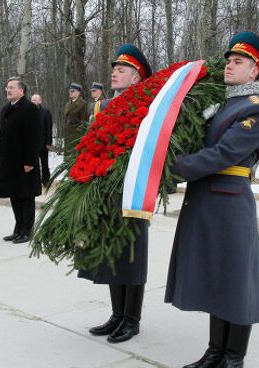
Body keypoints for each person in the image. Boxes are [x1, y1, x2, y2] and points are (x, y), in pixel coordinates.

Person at [164, 32, 259, 367]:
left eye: (238, 62)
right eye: (228, 61)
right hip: (206, 200)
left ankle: (233, 356)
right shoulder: (221, 104)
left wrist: (173, 168)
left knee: (236, 279)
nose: (229, 66)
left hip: (229, 202)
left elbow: (223, 154)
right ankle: (215, 352)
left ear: (254, 72)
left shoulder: (255, 110)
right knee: (215, 276)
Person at [79, 44, 152, 344]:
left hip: (131, 188)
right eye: (114, 69)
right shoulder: (103, 107)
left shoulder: (146, 106)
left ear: (136, 78)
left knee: (131, 253)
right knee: (111, 252)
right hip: (104, 189)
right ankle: (116, 314)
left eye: (122, 70)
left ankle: (132, 318)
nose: (115, 73)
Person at [0, 77, 41, 244]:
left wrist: (30, 161)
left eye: (12, 87)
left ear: (22, 91)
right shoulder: (6, 108)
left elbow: (33, 137)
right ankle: (18, 228)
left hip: (24, 162)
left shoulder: (30, 109)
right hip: (9, 162)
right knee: (14, 195)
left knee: (26, 196)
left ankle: (27, 230)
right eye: (7, 87)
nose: (8, 90)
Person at [30, 94, 53, 186]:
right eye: (32, 100)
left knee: (44, 163)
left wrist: (49, 142)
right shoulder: (28, 112)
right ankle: (36, 181)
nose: (34, 102)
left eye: (35, 100)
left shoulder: (45, 112)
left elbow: (49, 128)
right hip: (32, 144)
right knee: (34, 164)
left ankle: (46, 180)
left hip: (43, 143)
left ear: (40, 101)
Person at [63, 83, 87, 159]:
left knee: (74, 158)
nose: (71, 93)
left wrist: (79, 133)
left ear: (78, 92)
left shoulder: (83, 104)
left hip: (76, 135)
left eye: (73, 91)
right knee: (67, 157)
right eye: (70, 91)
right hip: (67, 134)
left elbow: (84, 121)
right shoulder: (67, 104)